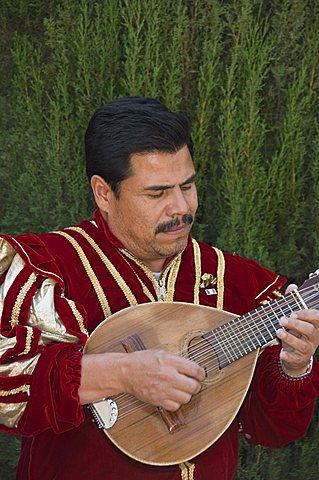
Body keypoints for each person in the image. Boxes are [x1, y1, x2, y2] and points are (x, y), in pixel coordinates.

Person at [0, 96, 319, 480]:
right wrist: (121, 373)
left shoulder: (236, 280)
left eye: (187, 186)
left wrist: (294, 367)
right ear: (104, 192)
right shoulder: (49, 268)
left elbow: (271, 430)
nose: (181, 208)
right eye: (157, 193)